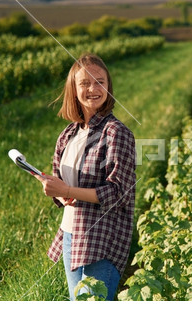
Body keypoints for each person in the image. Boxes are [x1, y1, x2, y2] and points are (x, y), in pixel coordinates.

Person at [35, 53, 136, 301]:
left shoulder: (116, 133)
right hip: (70, 233)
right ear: (74, 88)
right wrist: (56, 190)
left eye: (100, 82)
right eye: (85, 83)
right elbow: (64, 185)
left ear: (109, 87)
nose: (93, 89)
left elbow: (119, 193)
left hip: (101, 240)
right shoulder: (68, 134)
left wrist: (68, 191)